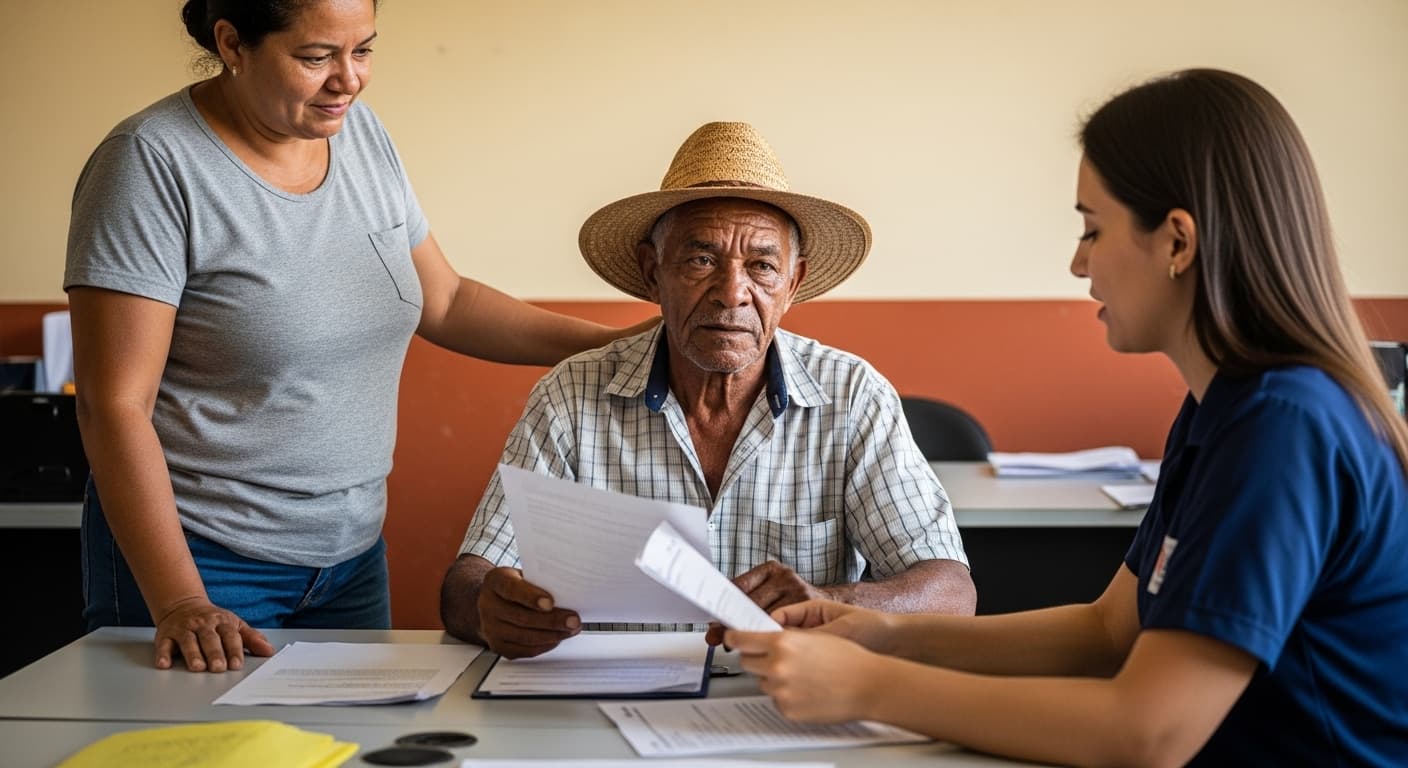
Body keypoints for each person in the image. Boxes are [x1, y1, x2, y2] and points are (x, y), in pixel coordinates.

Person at [726, 69, 1408, 766]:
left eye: (1092, 229)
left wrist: (870, 687)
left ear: (1177, 241)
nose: (1078, 262)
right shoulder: (1225, 408)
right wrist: (882, 635)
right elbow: (1110, 631)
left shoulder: (1282, 429)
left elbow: (1146, 732)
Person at [64, 0, 651, 675]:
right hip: (203, 558)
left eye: (363, 49)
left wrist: (620, 345)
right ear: (233, 42)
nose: (349, 79)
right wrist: (178, 601)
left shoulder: (359, 134)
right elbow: (113, 404)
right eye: (316, 57)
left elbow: (448, 301)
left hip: (349, 558)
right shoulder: (150, 164)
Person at [440, 121, 976, 659]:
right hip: (605, 703)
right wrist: (491, 609)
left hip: (790, 703)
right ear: (653, 272)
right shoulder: (571, 394)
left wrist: (830, 602)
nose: (731, 294)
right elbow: (469, 576)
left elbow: (951, 593)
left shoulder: (853, 395)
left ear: (792, 284)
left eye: (762, 266)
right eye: (701, 260)